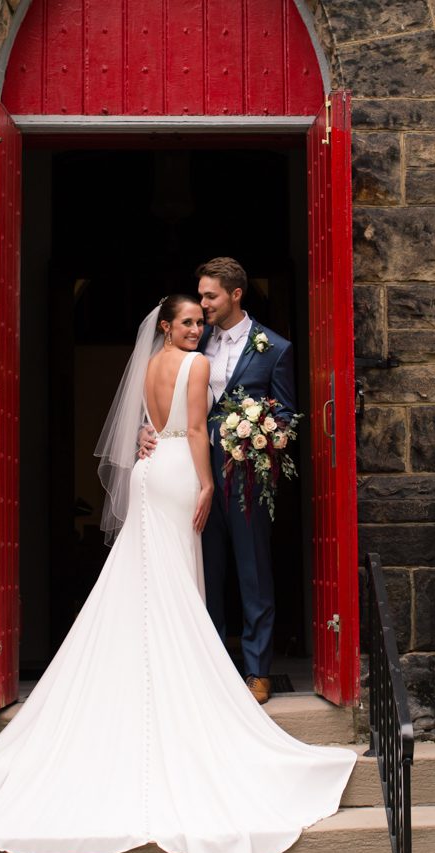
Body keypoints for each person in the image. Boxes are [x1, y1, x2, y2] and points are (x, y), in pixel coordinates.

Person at [0, 295, 354, 853]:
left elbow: (147, 423)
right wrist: (208, 485)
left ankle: (144, 672)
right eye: (188, 323)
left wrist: (154, 440)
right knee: (176, 580)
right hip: (179, 474)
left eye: (199, 322)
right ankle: (175, 676)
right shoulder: (198, 365)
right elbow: (192, 431)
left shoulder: (145, 366)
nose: (197, 329)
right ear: (167, 327)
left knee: (145, 578)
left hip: (146, 474)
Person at [139, 258, 296, 705]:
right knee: (203, 571)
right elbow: (169, 402)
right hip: (191, 472)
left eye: (210, 296)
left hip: (245, 474)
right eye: (200, 296)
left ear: (235, 295)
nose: (203, 304)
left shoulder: (275, 348)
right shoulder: (194, 338)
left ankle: (258, 670)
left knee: (253, 572)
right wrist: (146, 428)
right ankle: (209, 665)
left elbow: (285, 416)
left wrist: (263, 433)